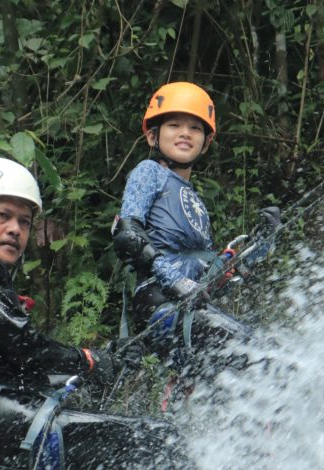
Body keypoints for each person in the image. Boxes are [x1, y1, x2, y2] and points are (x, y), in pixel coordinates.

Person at [0, 157, 174, 469]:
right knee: (158, 440)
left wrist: (105, 360)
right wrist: (89, 360)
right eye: (3, 216)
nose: (14, 229)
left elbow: (26, 367)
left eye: (24, 222)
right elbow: (26, 346)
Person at [112, 82, 280, 376]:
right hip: (161, 304)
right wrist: (174, 280)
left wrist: (259, 245)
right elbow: (128, 234)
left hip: (189, 307)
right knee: (257, 354)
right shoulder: (149, 173)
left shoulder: (194, 199)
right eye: (174, 125)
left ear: (206, 142)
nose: (185, 133)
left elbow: (208, 274)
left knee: (260, 359)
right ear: (153, 135)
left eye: (195, 128)